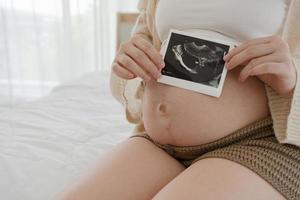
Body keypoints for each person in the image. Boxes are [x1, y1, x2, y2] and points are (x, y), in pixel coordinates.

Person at [59, 0, 300, 199]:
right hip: (160, 143)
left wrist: (293, 78)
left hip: (258, 143)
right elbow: (137, 58)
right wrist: (126, 62)